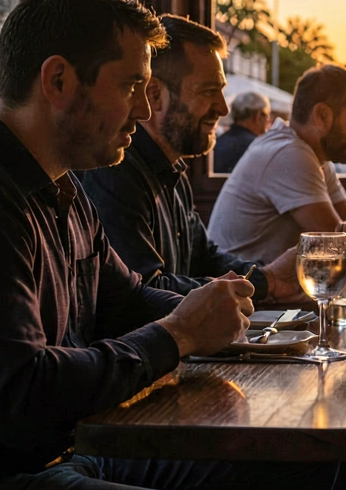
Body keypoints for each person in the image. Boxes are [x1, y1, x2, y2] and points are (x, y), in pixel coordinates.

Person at [0, 0, 334, 490]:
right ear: (57, 81)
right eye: (130, 86)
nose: (144, 111)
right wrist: (180, 334)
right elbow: (21, 399)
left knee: (305, 461)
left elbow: (123, 299)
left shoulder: (59, 180)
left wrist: (231, 316)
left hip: (61, 456)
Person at [81, 16, 305, 305]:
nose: (223, 108)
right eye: (209, 92)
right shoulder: (115, 171)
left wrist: (268, 278)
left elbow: (203, 257)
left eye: (222, 91)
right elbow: (146, 291)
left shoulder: (172, 169)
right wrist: (265, 283)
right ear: (155, 95)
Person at [209, 63, 346, 262]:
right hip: (245, 289)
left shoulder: (316, 157)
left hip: (267, 290)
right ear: (322, 116)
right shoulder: (289, 155)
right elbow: (341, 247)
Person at [213, 90, 271, 173]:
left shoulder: (217, 142)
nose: (268, 120)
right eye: (267, 115)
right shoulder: (259, 147)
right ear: (257, 116)